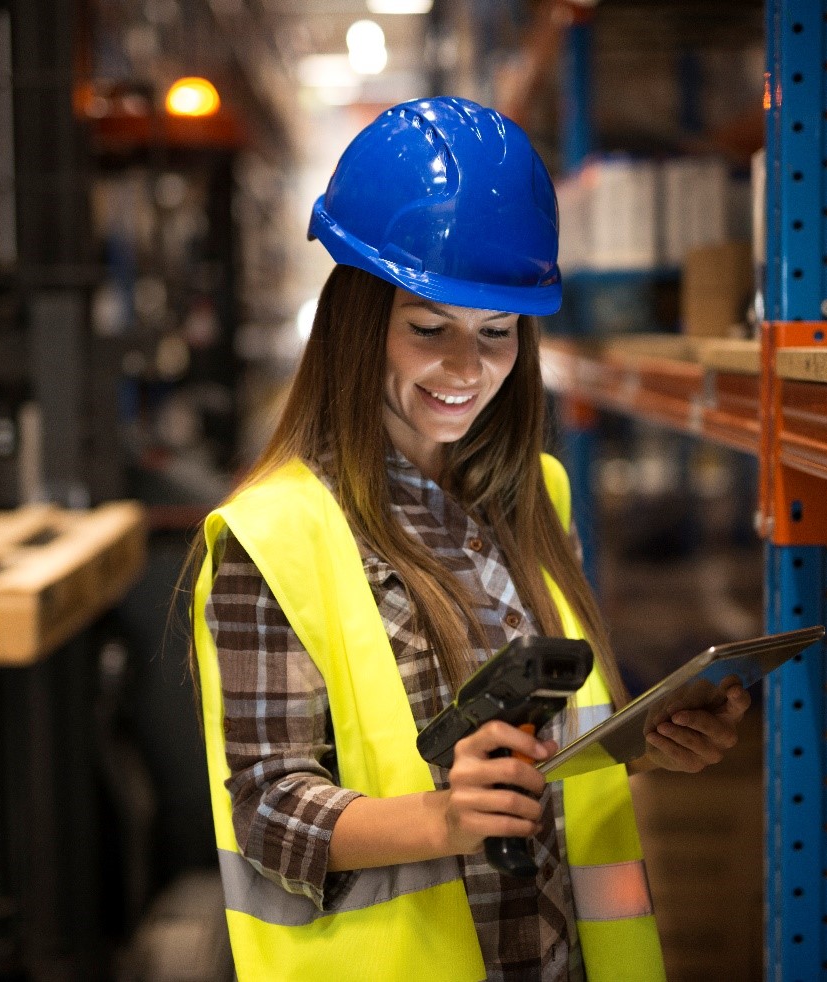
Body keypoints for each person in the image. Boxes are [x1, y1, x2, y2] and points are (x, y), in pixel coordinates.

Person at [188, 96, 751, 982]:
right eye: (428, 328)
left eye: (497, 333)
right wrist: (444, 820)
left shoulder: (532, 498)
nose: (467, 369)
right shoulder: (274, 536)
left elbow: (549, 753)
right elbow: (266, 811)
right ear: (355, 321)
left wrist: (648, 734)